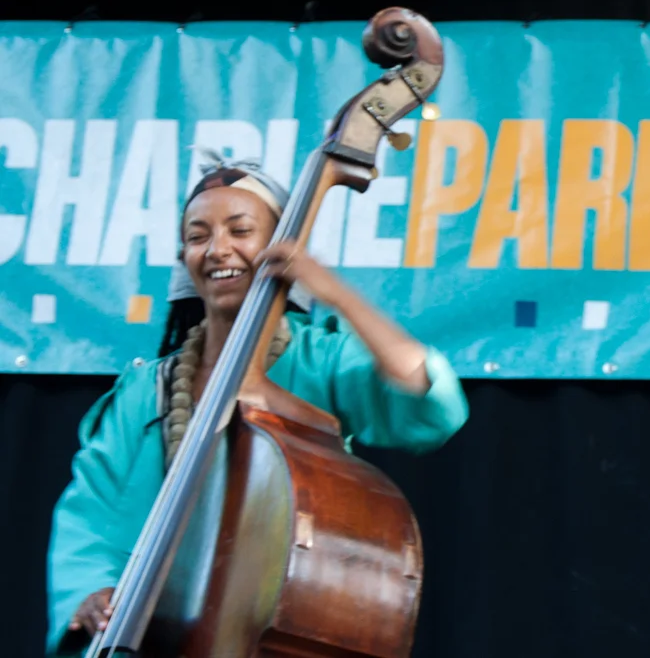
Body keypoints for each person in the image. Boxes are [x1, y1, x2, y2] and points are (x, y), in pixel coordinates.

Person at [45, 154, 470, 655]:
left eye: (240, 230)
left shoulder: (320, 360)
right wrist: (91, 593)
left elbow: (426, 400)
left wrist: (333, 290)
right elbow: (92, 516)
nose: (218, 249)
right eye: (198, 236)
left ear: (278, 246)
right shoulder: (147, 392)